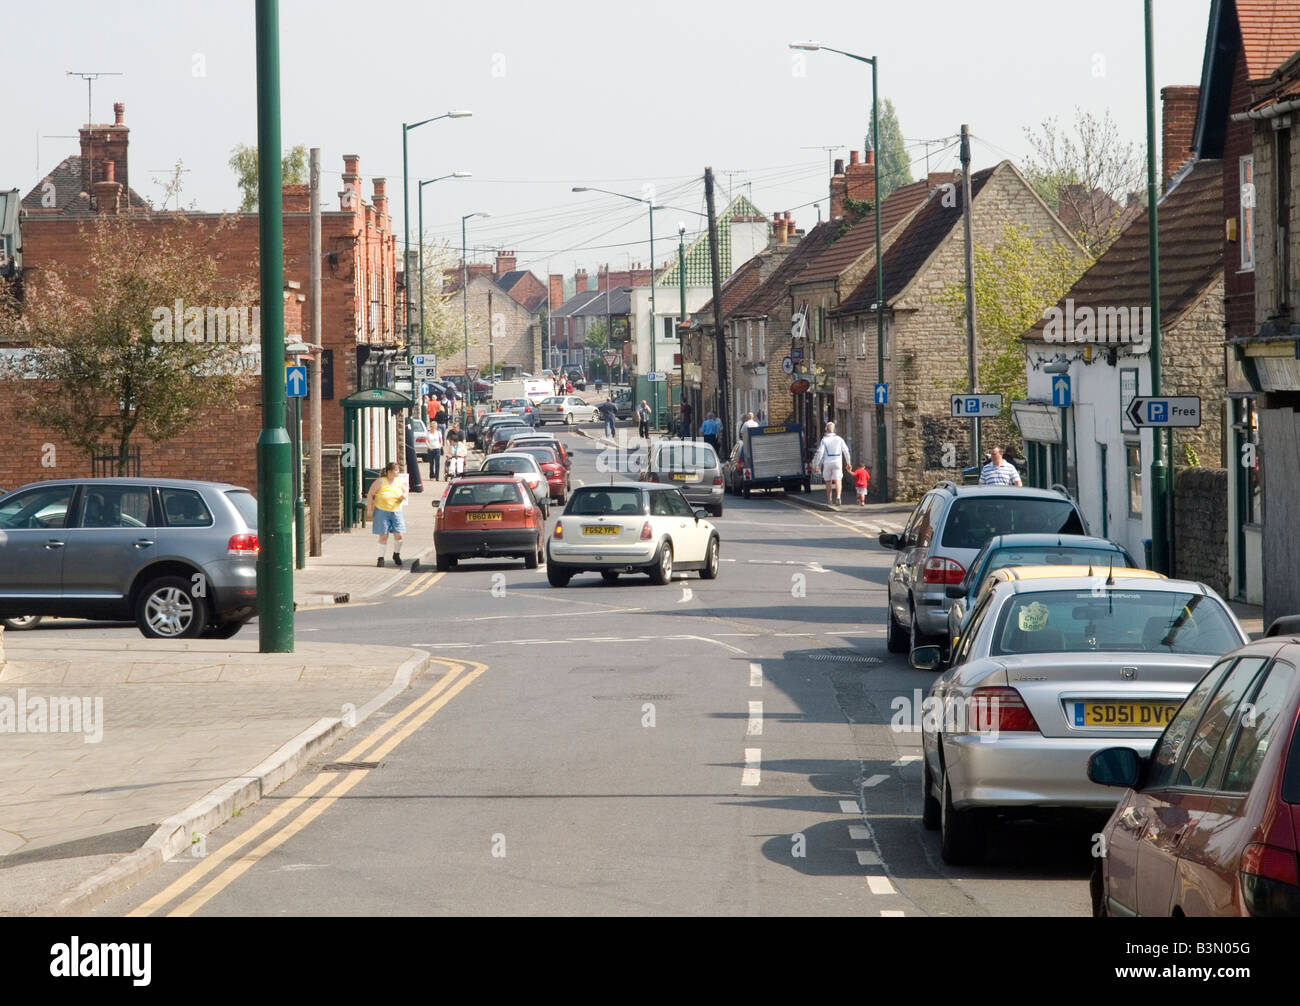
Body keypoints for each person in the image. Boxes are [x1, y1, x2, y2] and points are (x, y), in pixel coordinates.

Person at [365, 461, 408, 567]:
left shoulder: (399, 481)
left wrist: (404, 495)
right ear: (389, 472)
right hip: (382, 511)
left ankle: (396, 554)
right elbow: (370, 494)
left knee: (399, 535)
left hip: (396, 511)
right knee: (383, 535)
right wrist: (369, 509)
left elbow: (405, 490)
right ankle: (381, 558)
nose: (398, 472)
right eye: (396, 470)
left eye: (398, 470)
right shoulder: (380, 481)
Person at [811, 421, 851, 507]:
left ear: (826, 430)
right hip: (837, 462)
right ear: (834, 430)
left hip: (827, 463)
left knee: (828, 481)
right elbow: (846, 451)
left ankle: (829, 500)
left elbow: (820, 452)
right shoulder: (839, 439)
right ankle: (838, 496)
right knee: (838, 480)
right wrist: (848, 463)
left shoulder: (824, 440)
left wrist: (817, 464)